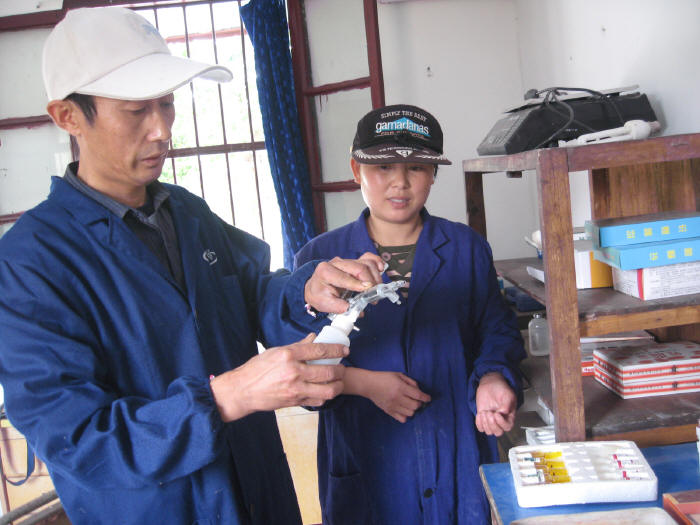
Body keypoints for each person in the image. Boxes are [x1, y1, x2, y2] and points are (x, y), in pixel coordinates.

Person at [0, 7, 384, 525]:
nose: (162, 129)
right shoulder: (30, 262)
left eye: (167, 103)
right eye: (136, 110)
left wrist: (305, 290)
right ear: (69, 116)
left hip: (257, 491)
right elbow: (80, 439)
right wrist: (227, 396)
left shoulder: (185, 212)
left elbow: (251, 293)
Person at [294, 104, 527, 525]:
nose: (400, 182)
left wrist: (493, 376)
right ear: (356, 170)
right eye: (383, 167)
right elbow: (299, 366)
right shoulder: (319, 259)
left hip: (453, 437)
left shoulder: (466, 247)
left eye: (416, 167)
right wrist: (363, 384)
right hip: (366, 446)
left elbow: (497, 329)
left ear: (433, 174)